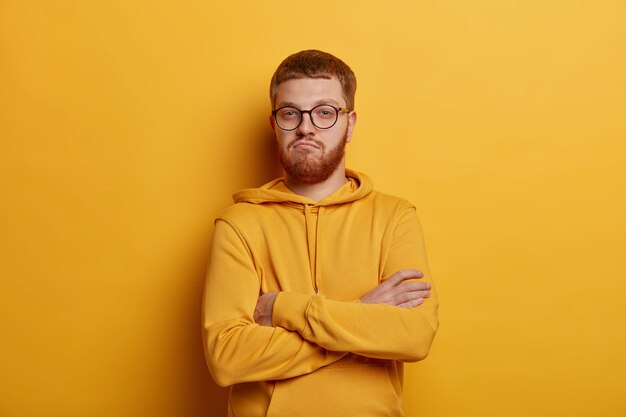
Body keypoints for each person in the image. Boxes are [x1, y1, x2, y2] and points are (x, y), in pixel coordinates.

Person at [202, 49, 439, 417]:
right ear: (274, 124)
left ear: (351, 123)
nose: (306, 127)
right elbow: (227, 358)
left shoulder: (395, 216)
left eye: (325, 112)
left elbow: (414, 336)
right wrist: (364, 314)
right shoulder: (239, 223)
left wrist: (286, 308)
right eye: (290, 113)